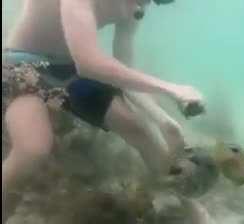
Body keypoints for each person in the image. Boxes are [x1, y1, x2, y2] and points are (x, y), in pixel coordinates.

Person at [2, 0, 205, 221]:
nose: (138, 8)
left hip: (70, 71)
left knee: (138, 128)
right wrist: (171, 89)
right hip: (22, 63)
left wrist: (164, 121)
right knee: (33, 148)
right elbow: (89, 63)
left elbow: (124, 70)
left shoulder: (136, 6)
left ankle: (184, 202)